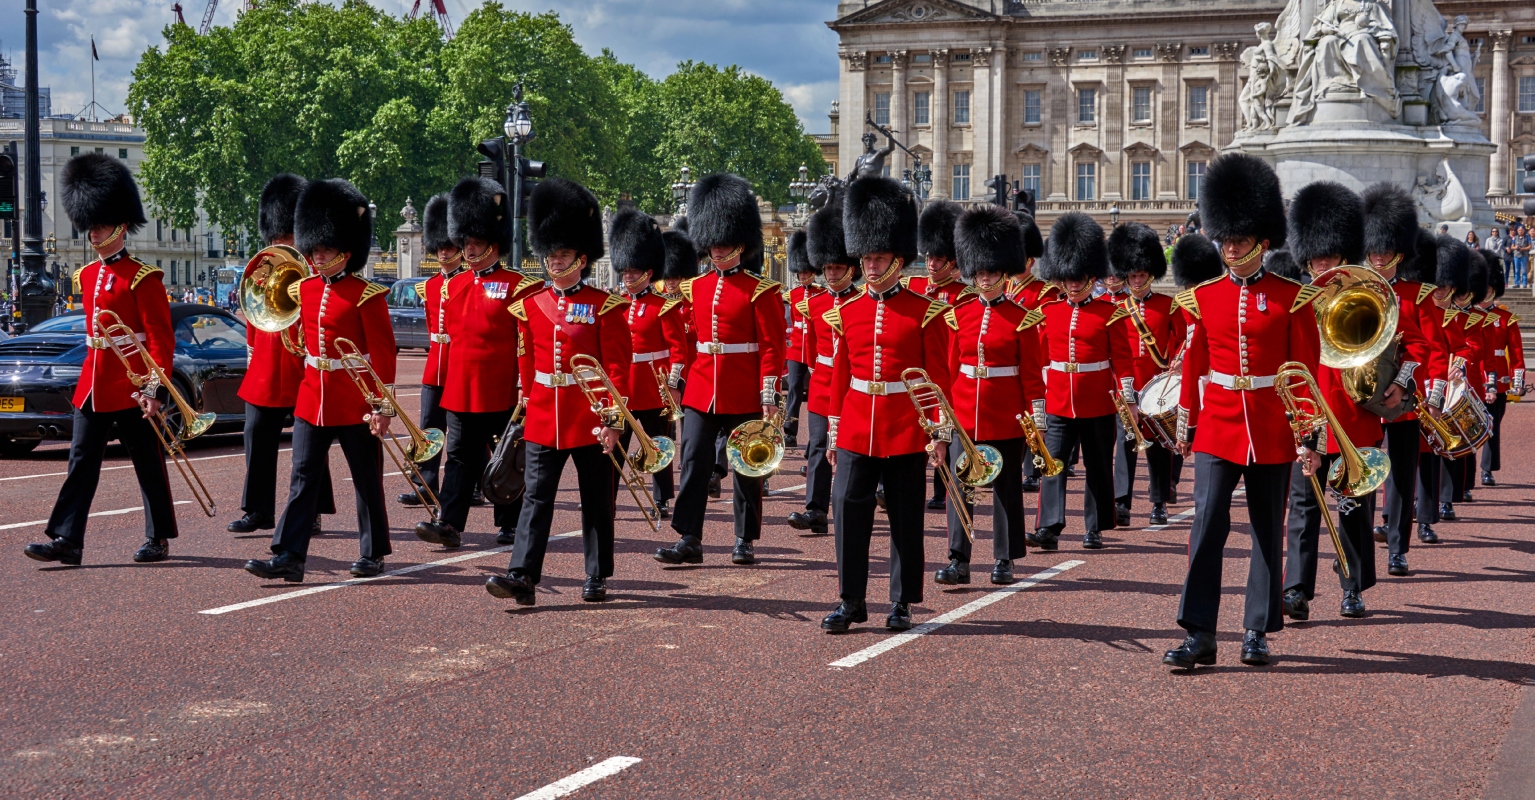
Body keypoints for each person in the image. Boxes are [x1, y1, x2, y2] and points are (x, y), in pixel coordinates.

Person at [1164, 153, 1321, 669]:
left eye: (1240, 238)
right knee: (1206, 524)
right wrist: (1186, 421)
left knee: (1265, 531)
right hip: (1218, 424)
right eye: (1225, 238)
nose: (1230, 247)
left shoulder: (1293, 298)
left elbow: (1304, 374)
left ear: (1262, 239)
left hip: (1272, 426)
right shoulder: (1203, 298)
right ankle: (1200, 633)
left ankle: (1257, 630)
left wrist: (1309, 438)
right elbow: (1194, 366)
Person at [24, 153, 179, 567]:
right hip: (93, 383)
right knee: (80, 462)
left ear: (120, 226)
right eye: (89, 225)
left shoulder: (144, 277)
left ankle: (158, 536)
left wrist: (154, 389)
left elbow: (160, 341)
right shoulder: (88, 276)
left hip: (132, 384)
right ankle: (67, 540)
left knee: (147, 461)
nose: (92, 232)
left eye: (100, 225)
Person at [484, 178, 631, 605]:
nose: (554, 262)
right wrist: (527, 404)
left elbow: (617, 369)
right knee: (535, 498)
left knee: (596, 499)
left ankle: (597, 574)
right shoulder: (530, 304)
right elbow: (527, 361)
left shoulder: (605, 306)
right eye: (550, 255)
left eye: (562, 255)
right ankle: (522, 575)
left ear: (581, 259)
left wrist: (613, 420)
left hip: (590, 415)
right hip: (545, 414)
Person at [243, 178, 395, 582]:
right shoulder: (304, 289)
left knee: (366, 478)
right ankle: (290, 555)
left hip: (355, 399)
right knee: (303, 476)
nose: (318, 254)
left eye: (326, 247)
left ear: (346, 249)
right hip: (313, 396)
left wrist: (382, 407)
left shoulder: (367, 295)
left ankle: (373, 552)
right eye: (315, 247)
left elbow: (384, 356)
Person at [1279, 182, 1414, 620]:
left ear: (1343, 254)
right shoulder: (1293, 301)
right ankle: (1296, 589)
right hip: (1310, 418)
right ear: (1306, 257)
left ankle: (1352, 587)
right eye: (1316, 256)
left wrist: (1401, 383)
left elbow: (1408, 345)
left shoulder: (1368, 293)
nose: (1323, 262)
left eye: (1330, 255)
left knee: (1354, 509)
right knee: (1304, 507)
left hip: (1355, 418)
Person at [820, 176, 949, 633]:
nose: (870, 267)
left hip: (905, 427)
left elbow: (937, 380)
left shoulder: (925, 311)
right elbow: (840, 377)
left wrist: (939, 433)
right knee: (847, 513)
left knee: (905, 519)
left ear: (897, 259)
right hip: (857, 426)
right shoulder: (846, 311)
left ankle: (902, 601)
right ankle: (851, 599)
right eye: (866, 259)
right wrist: (834, 433)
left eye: (878, 259)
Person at [653, 174, 786, 568]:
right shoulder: (695, 287)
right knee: (693, 460)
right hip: (701, 388)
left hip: (743, 388)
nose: (717, 249)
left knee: (746, 466)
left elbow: (772, 346)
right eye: (713, 243)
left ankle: (744, 539)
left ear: (739, 245)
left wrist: (769, 395)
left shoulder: (761, 290)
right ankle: (689, 537)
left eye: (724, 243)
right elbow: (689, 340)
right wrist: (676, 380)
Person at [414, 177, 542, 550]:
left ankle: (510, 523)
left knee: (506, 456)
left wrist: (526, 387)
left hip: (501, 388)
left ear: (493, 244)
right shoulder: (453, 286)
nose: (467, 249)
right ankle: (449, 522)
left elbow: (526, 343)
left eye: (474, 242)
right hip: (460, 389)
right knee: (458, 458)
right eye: (465, 242)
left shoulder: (518, 285)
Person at [933, 204, 1046, 586]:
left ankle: (1005, 558)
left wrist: (1037, 422)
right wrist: (942, 425)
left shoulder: (1022, 319)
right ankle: (958, 558)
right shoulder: (958, 315)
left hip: (1006, 415)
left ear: (1004, 272)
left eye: (991, 271)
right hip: (964, 413)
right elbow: (949, 374)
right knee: (960, 485)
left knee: (1006, 489)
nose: (984, 277)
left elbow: (1032, 377)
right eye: (979, 271)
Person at [229, 173, 336, 536]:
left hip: (302, 364)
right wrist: (251, 362)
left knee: (311, 444)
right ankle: (258, 509)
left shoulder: (313, 268)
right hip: (266, 366)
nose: (279, 241)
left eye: (286, 234)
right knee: (256, 435)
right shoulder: (263, 265)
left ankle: (313, 507)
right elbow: (253, 310)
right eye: (275, 235)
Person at [1024, 213, 1135, 552]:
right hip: (1059, 400)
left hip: (1097, 400)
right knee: (1052, 464)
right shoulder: (1049, 312)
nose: (1073, 284)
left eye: (1079, 277)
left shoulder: (1110, 313)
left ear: (1091, 275)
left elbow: (1124, 361)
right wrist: (1037, 404)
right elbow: (1039, 361)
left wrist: (1129, 400)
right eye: (1068, 278)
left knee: (1098, 467)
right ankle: (1048, 526)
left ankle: (1095, 527)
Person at [1361, 186, 1446, 577]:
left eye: (1385, 250)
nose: (1378, 256)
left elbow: (1429, 348)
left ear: (1398, 252)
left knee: (1400, 475)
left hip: (1402, 399)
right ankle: (1359, 546)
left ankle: (1397, 547)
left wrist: (1406, 385)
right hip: (1361, 397)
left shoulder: (1418, 295)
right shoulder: (1355, 289)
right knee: (1362, 471)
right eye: (1373, 249)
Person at [609, 208, 690, 519]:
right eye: (625, 271)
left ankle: (662, 497)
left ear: (648, 272)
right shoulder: (616, 306)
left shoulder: (663, 307)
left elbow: (678, 350)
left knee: (657, 444)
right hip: (624, 388)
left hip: (653, 388)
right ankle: (607, 497)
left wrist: (673, 385)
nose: (628, 276)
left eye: (634, 271)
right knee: (617, 445)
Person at [789, 200, 861, 535]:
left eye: (837, 267)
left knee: (852, 448)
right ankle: (815, 509)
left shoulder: (861, 301)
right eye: (828, 268)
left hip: (854, 384)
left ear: (851, 268)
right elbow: (811, 350)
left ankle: (854, 502)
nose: (831, 273)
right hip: (822, 382)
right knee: (818, 445)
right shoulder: (813, 304)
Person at [1106, 222, 1184, 527]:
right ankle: (1121, 502)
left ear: (1150, 275)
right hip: (1126, 384)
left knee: (1159, 446)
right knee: (1126, 442)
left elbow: (1182, 340)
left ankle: (1159, 502)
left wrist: (1177, 361)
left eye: (1141, 275)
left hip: (1156, 385)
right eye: (1133, 276)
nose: (1137, 281)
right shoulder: (1116, 308)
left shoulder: (1168, 305)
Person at [397, 193, 461, 509]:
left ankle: (474, 484)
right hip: (435, 366)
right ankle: (426, 483)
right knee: (429, 430)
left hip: (460, 366)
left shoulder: (469, 283)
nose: (444, 252)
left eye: (449, 247)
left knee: (464, 434)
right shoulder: (429, 286)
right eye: (440, 248)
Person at [905, 201, 969, 512]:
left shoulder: (963, 295)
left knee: (945, 431)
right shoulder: (913, 286)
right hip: (918, 370)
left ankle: (942, 489)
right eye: (929, 257)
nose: (931, 263)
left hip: (949, 368)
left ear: (951, 261)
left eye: (938, 258)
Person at [1004, 212, 1054, 492]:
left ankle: (1032, 470)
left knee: (1032, 415)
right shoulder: (1003, 288)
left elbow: (1044, 331)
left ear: (1030, 261)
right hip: (1006, 359)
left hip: (1034, 358)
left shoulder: (1043, 292)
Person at [1478, 253, 1520, 486]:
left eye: (1489, 288)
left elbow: (1516, 352)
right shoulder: (1466, 316)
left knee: (1492, 426)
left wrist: (1518, 380)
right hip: (1472, 378)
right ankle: (1463, 477)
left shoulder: (1505, 318)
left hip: (1499, 381)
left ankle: (1487, 469)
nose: (1485, 292)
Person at [782, 234, 824, 449]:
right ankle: (790, 431)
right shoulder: (792, 295)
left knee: (818, 390)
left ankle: (818, 434)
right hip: (797, 348)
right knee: (794, 390)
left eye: (806, 273)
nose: (803, 276)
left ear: (813, 272)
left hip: (816, 348)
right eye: (801, 273)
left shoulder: (821, 293)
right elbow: (791, 321)